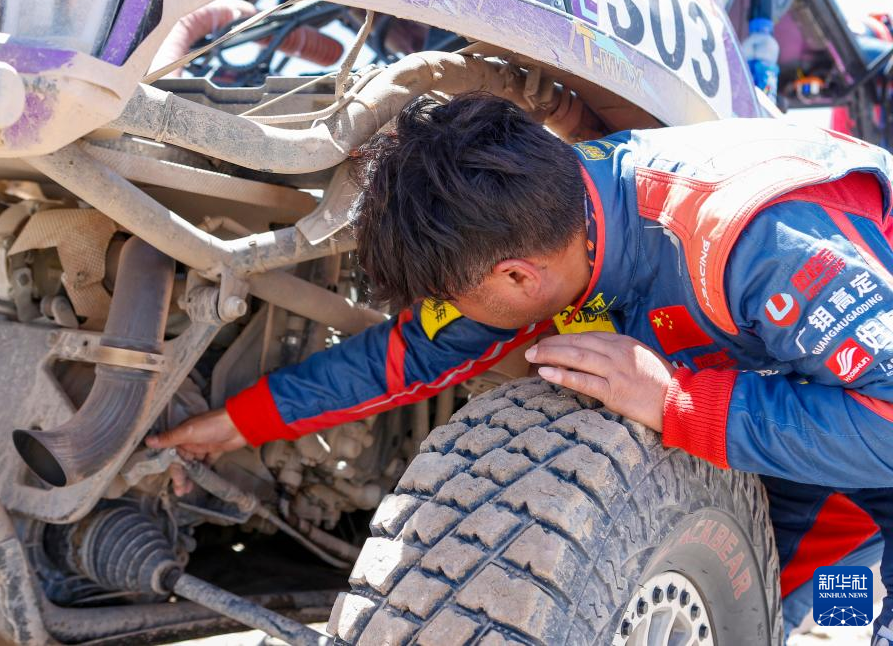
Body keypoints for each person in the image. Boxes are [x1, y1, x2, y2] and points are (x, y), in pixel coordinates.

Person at [147, 93, 893, 642]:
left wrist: (677, 403)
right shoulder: (545, 222)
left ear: (516, 278)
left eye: (449, 297)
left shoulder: (752, 242)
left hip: (866, 460)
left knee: (844, 604)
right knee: (762, 602)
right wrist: (234, 424)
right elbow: (405, 356)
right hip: (782, 431)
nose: (446, 312)